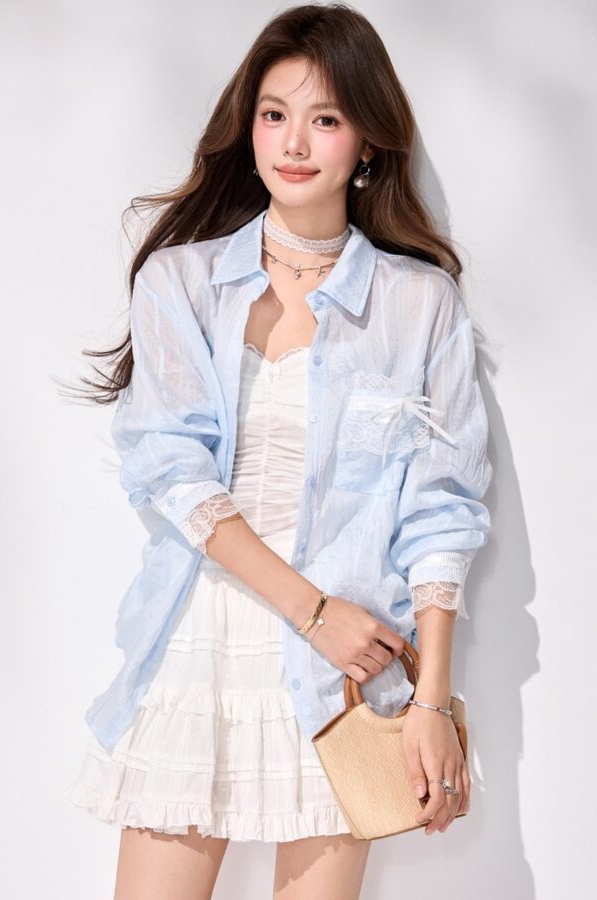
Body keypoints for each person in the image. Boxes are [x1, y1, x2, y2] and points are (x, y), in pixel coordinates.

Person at [60, 4, 493, 898]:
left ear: (366, 141)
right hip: (201, 645)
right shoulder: (182, 282)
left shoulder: (419, 304)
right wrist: (311, 610)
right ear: (247, 125)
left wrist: (431, 702)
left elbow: (441, 509)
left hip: (343, 672)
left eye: (325, 118)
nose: (293, 142)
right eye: (273, 113)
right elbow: (174, 473)